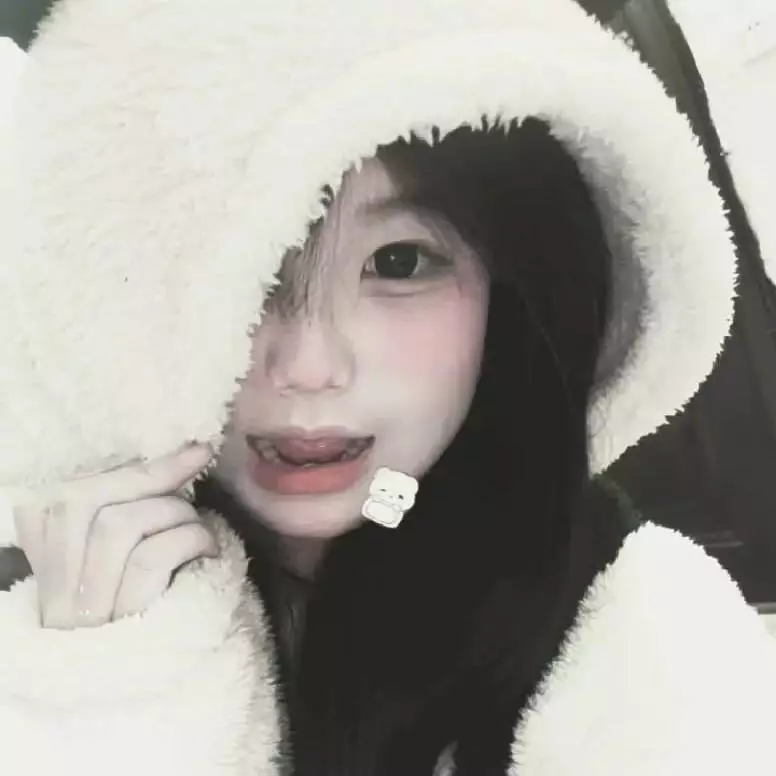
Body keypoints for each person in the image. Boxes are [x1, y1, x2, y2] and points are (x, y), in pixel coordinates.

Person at [0, 1, 774, 774]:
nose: (309, 365)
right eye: (253, 273)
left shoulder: (646, 651)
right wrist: (101, 693)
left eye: (398, 263)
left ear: (506, 293)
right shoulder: (44, 610)